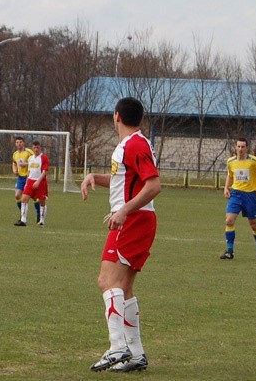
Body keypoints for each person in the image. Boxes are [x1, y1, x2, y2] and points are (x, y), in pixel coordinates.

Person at [81, 97, 161, 373]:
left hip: (133, 220)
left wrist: (124, 211)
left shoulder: (136, 144)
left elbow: (153, 185)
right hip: (137, 219)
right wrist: (95, 177)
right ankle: (136, 354)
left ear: (116, 116)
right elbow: (124, 181)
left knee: (107, 281)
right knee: (123, 288)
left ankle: (117, 347)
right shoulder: (129, 145)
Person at [219, 138, 256, 261]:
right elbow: (230, 175)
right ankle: (230, 251)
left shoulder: (253, 161)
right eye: (239, 147)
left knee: (253, 225)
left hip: (250, 196)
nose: (240, 149)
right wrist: (226, 188)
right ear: (235, 147)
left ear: (247, 148)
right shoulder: (231, 161)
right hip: (235, 194)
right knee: (229, 221)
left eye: (243, 147)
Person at [15, 140, 49, 227]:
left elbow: (44, 171)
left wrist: (38, 181)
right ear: (32, 148)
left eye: (37, 147)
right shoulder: (30, 158)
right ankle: (23, 220)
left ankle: (41, 220)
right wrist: (27, 181)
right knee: (24, 199)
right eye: (34, 147)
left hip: (40, 182)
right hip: (30, 181)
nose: (36, 149)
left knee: (42, 201)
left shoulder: (44, 158)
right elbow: (29, 171)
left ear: (40, 147)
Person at [12, 136, 37, 224]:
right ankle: (22, 214)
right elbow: (14, 163)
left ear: (24, 143)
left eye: (20, 142)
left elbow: (35, 161)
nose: (19, 144)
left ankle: (38, 216)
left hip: (29, 177)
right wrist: (14, 170)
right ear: (15, 144)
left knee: (34, 197)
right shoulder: (15, 154)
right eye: (17, 142)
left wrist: (25, 164)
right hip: (20, 178)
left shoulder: (28, 152)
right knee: (17, 195)